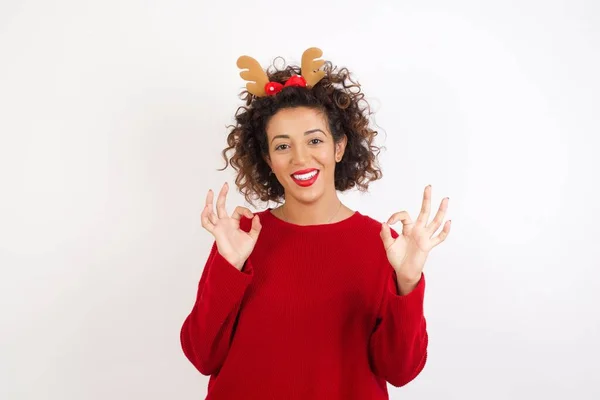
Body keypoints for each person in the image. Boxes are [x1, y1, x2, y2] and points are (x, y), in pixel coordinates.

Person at [179, 47, 452, 399]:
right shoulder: (242, 239)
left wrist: (408, 282)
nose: (300, 158)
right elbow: (202, 356)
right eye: (282, 146)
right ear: (267, 158)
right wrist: (228, 266)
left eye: (315, 140)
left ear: (339, 147)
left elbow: (400, 372)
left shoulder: (384, 245)